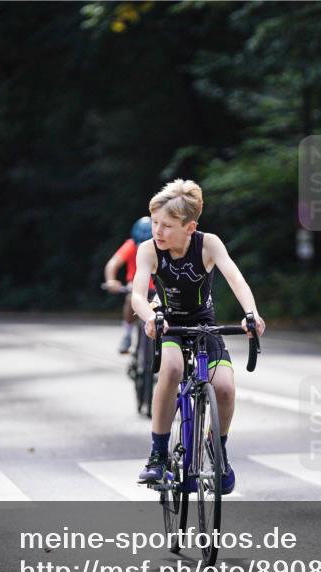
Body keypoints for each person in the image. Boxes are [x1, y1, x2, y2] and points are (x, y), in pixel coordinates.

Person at [129, 179, 265, 493]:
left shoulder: (208, 244)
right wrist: (150, 318)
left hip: (204, 322)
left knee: (225, 389)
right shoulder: (148, 250)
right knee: (172, 367)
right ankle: (158, 455)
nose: (158, 231)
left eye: (167, 226)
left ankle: (217, 449)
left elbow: (235, 277)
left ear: (190, 227)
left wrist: (251, 314)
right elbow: (138, 295)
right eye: (155, 223)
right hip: (168, 322)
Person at [104, 217, 153, 354]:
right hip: (136, 287)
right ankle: (127, 334)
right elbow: (113, 264)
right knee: (130, 299)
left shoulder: (162, 247)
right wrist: (111, 281)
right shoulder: (130, 245)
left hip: (157, 289)